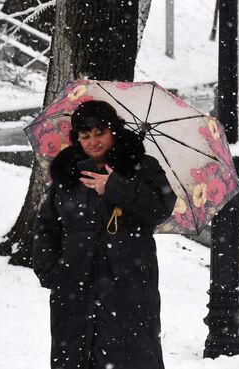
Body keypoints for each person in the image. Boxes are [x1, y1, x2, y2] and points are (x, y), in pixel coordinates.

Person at [32, 100, 177, 369]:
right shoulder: (68, 175)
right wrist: (53, 272)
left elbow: (161, 207)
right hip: (75, 289)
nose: (93, 141)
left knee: (129, 358)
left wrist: (115, 186)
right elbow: (46, 226)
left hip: (128, 289)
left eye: (100, 133)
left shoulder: (143, 167)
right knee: (75, 358)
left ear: (114, 132)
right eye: (85, 136)